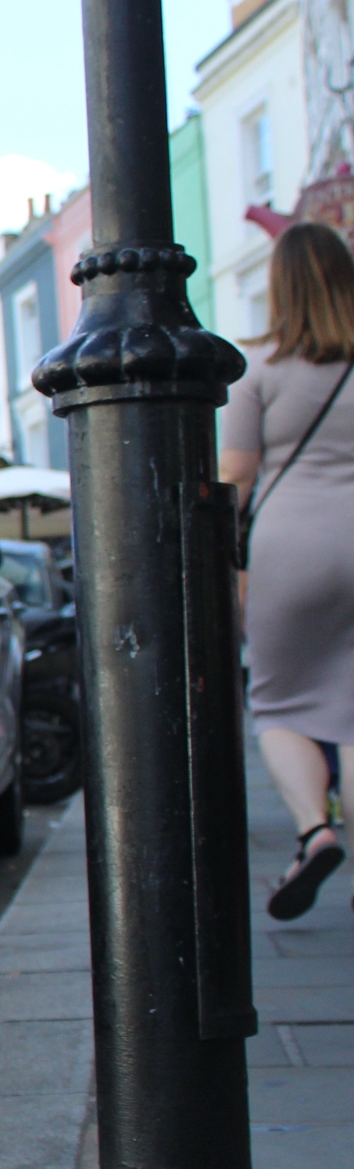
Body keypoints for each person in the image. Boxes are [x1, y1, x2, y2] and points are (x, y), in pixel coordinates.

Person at [219, 220, 354, 919]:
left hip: (292, 544)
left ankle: (314, 828)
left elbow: (235, 477)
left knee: (280, 703)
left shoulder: (260, 367)